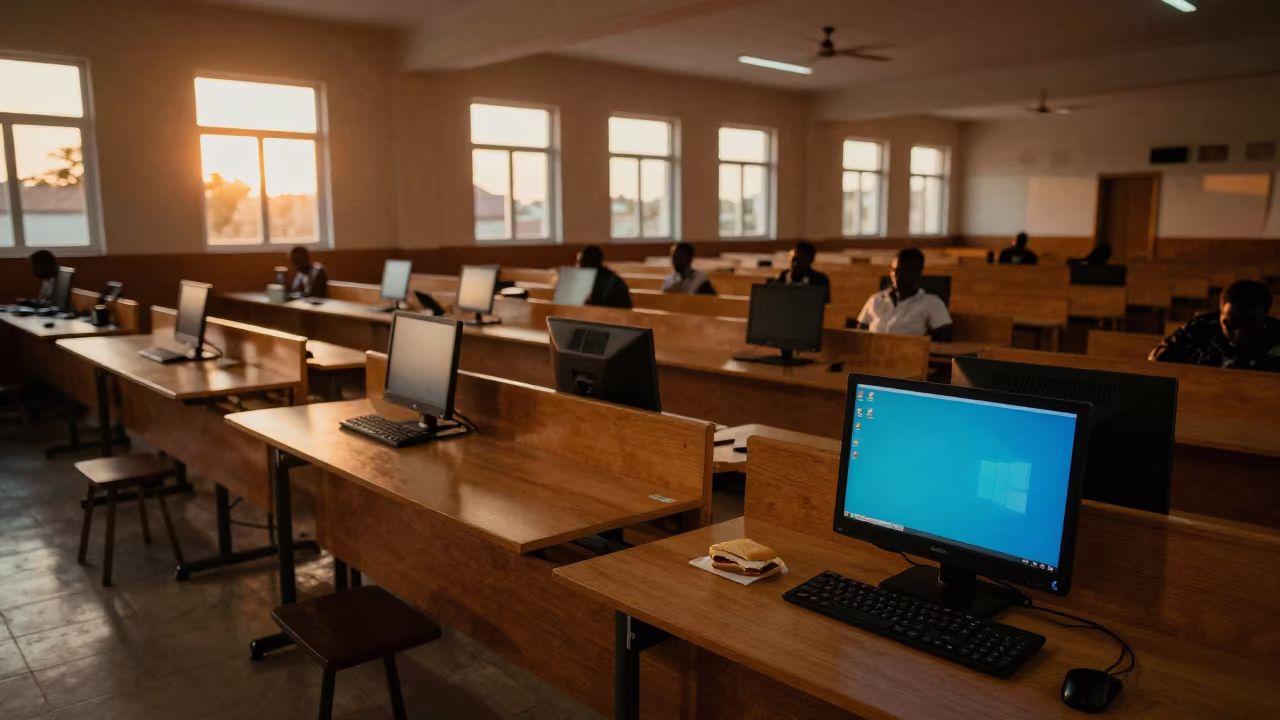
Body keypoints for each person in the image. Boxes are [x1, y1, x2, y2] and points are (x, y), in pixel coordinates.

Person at [1150, 280, 1280, 372]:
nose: (1238, 334)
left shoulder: (1276, 336)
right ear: (1220, 313)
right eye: (1229, 325)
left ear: (1264, 318)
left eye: (1248, 325)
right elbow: (1158, 360)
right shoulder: (1200, 327)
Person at [855, 248, 953, 341]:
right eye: (895, 271)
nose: (898, 277)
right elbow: (860, 331)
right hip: (873, 353)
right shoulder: (876, 299)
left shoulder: (932, 303)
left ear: (917, 273)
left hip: (908, 354)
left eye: (906, 272)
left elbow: (943, 337)